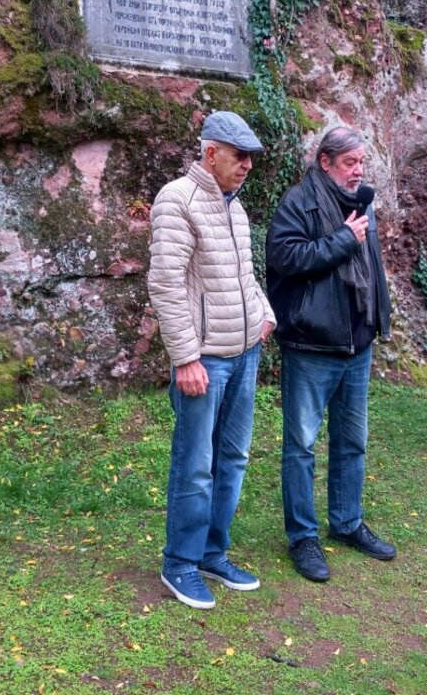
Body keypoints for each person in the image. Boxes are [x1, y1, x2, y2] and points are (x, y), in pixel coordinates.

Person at [147, 110, 276, 610]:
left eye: (250, 158)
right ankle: (179, 563)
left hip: (245, 353)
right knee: (196, 465)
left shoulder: (234, 206)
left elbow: (243, 275)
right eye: (239, 156)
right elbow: (166, 285)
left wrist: (264, 313)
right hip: (206, 361)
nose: (247, 165)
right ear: (210, 153)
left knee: (234, 460)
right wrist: (185, 358)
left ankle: (211, 554)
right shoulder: (177, 200)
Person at [265, 125, 395, 583]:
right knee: (301, 446)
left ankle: (346, 522)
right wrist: (343, 239)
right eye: (349, 162)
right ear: (325, 161)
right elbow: (287, 259)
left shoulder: (361, 203)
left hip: (357, 345)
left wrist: (380, 319)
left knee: (351, 442)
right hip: (311, 345)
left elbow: (371, 266)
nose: (358, 170)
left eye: (362, 162)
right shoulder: (298, 202)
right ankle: (303, 537)